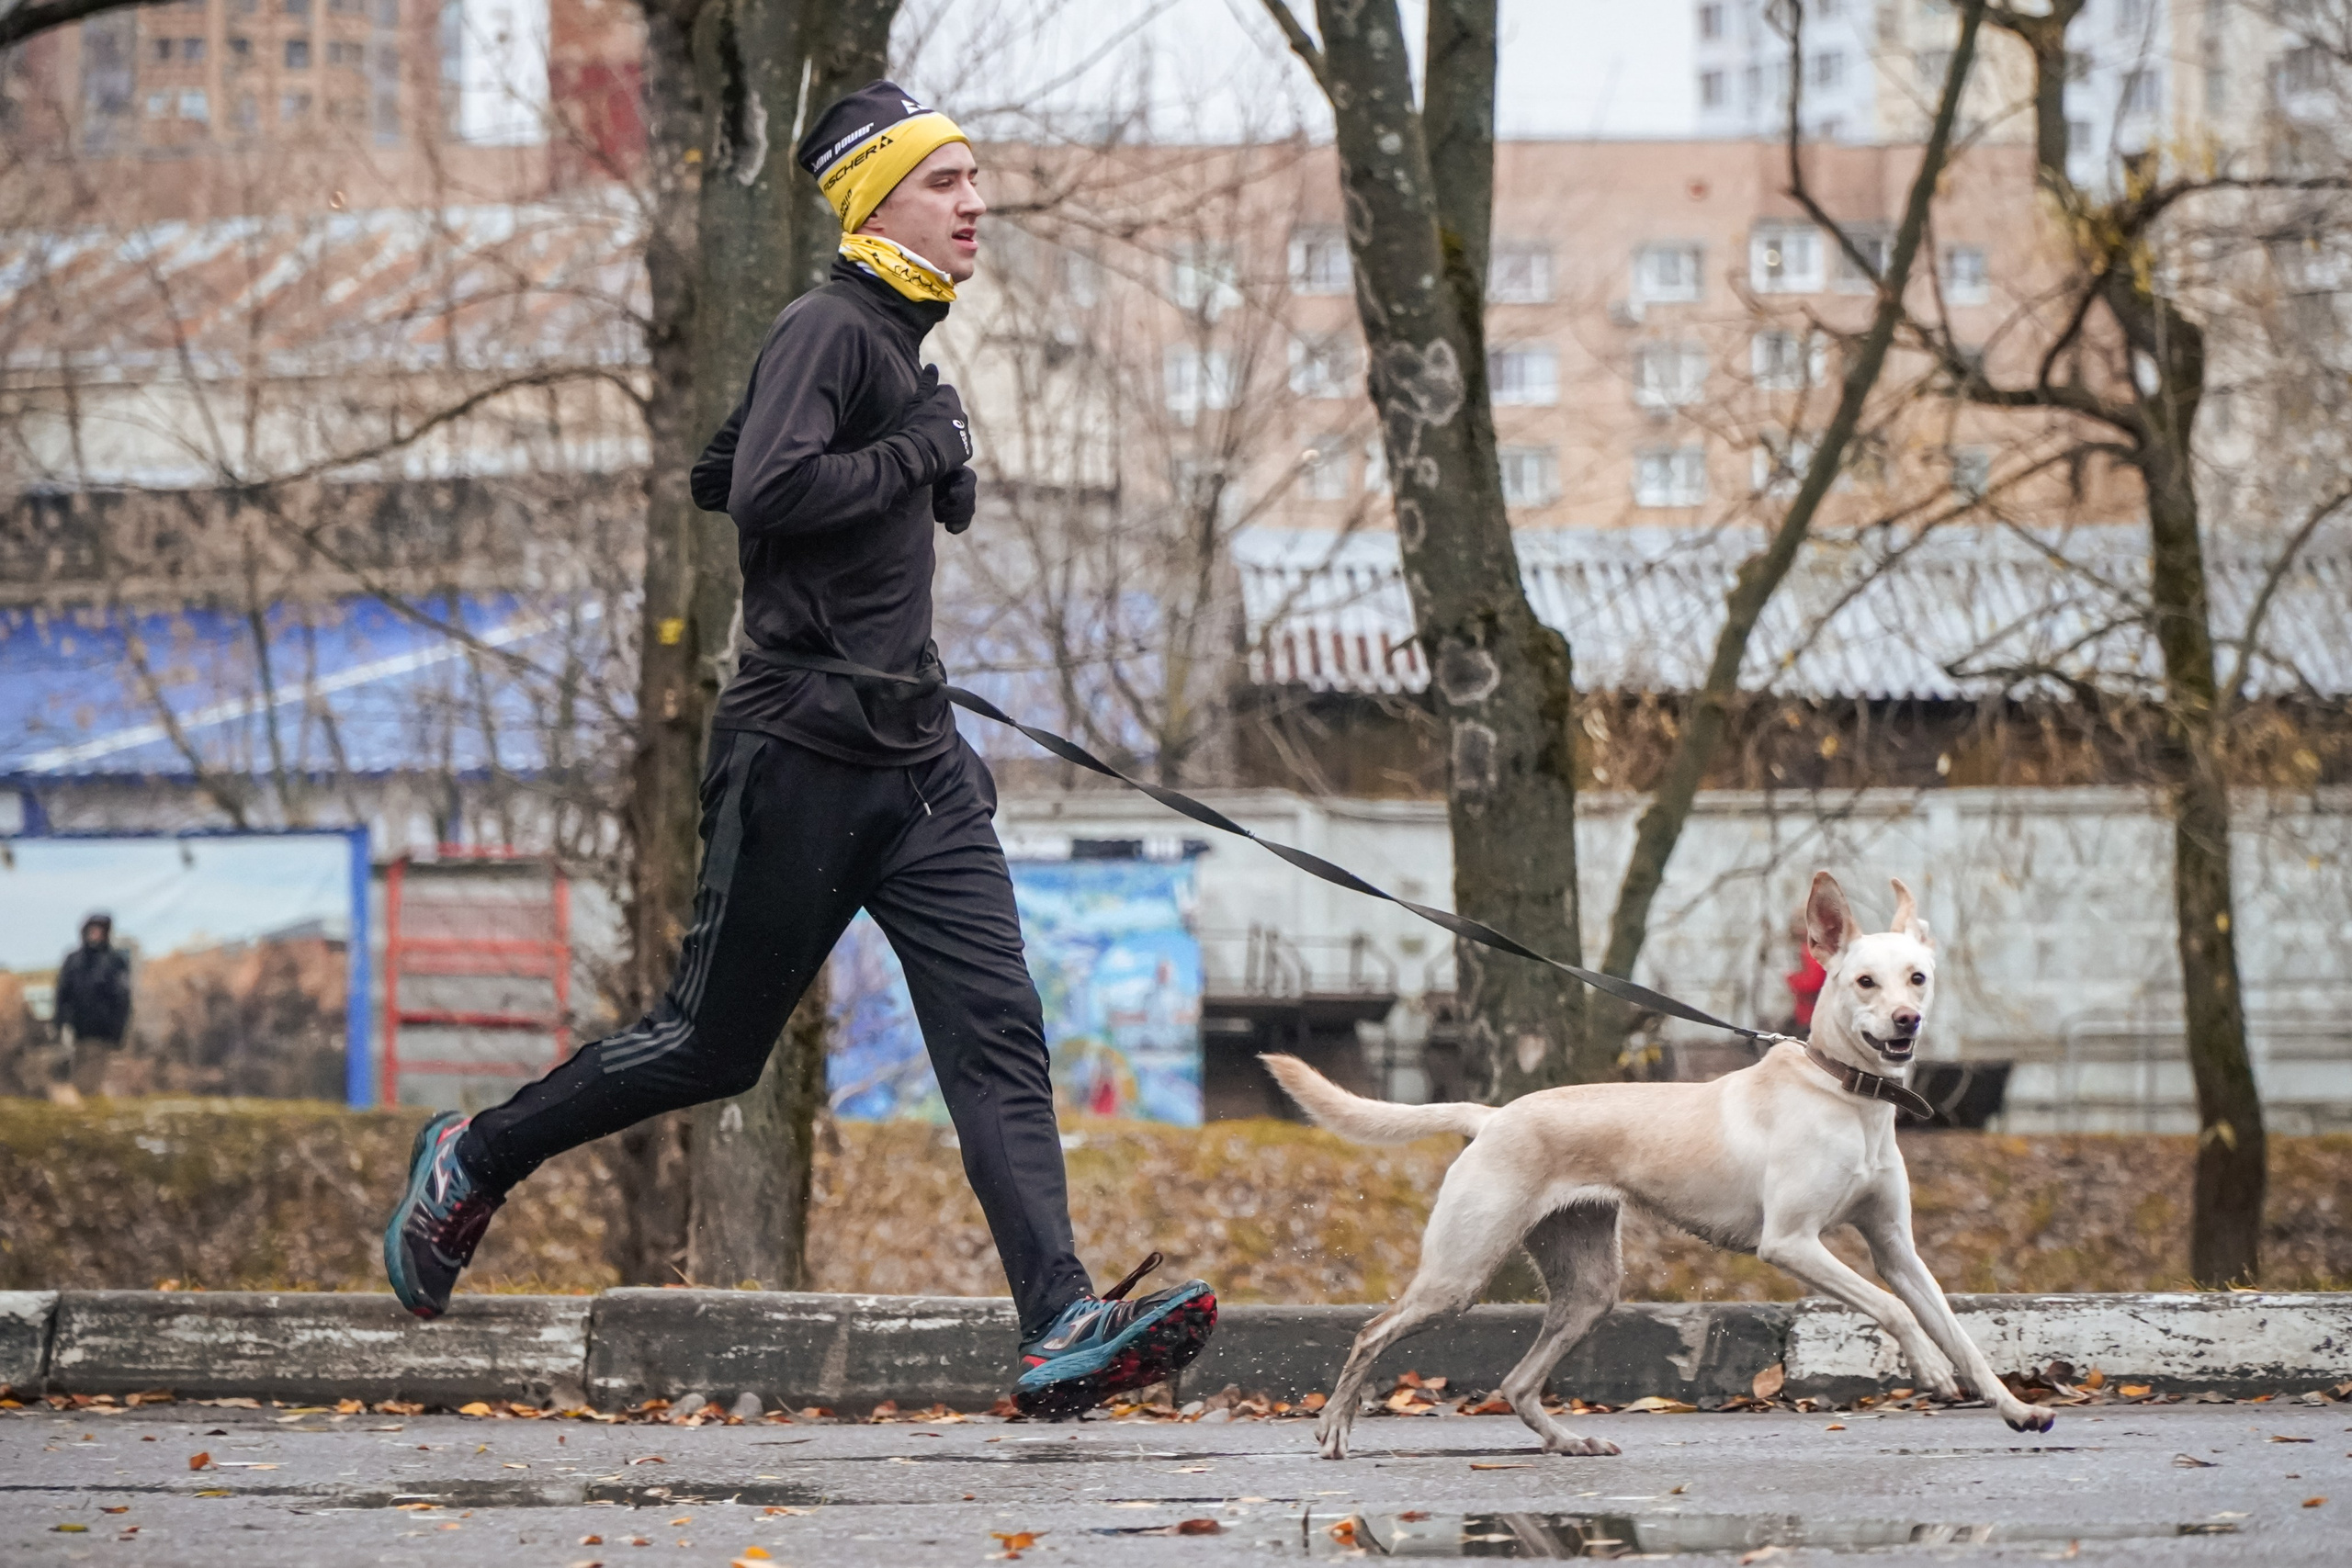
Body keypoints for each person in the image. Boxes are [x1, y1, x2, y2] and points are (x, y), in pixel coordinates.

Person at [382, 82, 1216, 1417]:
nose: (976, 201)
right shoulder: (828, 323)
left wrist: (909, 446)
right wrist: (913, 454)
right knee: (711, 1047)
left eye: (976, 179)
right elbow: (765, 495)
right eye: (948, 181)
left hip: (920, 762)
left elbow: (726, 468)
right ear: (876, 197)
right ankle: (475, 1156)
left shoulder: (886, 341)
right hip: (802, 756)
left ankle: (1059, 1315)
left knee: (999, 1034)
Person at [53, 912, 132, 1100]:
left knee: (90, 1077)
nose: (95, 934)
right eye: (92, 929)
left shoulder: (115, 962)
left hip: (102, 1032)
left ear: (106, 933)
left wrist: (118, 1031)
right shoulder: (74, 960)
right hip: (75, 1029)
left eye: (99, 930)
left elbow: (122, 999)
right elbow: (62, 993)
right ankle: (81, 1111)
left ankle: (85, 1110)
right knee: (76, 1070)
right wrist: (60, 1023)